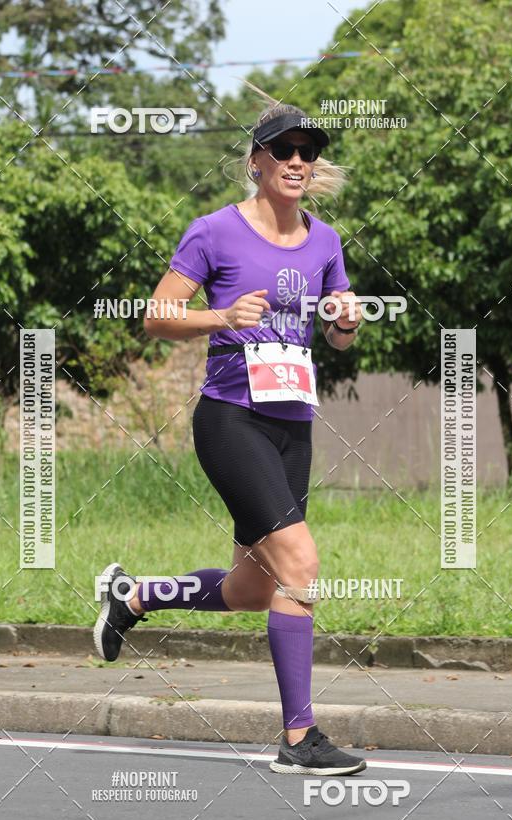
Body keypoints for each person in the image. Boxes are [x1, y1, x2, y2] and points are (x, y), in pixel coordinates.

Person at [94, 98, 366, 776]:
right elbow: (158, 316)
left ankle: (133, 596)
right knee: (300, 564)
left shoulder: (325, 242)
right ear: (257, 162)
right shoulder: (214, 231)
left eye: (308, 151)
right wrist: (220, 317)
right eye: (285, 149)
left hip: (293, 424)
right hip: (230, 419)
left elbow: (333, 335)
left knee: (254, 588)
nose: (298, 160)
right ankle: (299, 739)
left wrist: (346, 321)